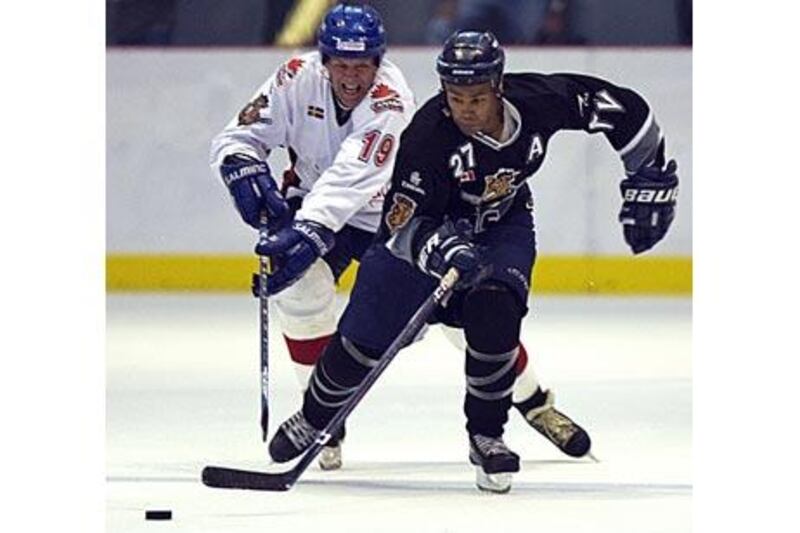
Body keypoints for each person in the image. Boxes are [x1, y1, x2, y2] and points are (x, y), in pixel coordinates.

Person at [264, 30, 679, 493]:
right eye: (456, 97)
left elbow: (618, 106)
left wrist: (650, 171)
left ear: (499, 86)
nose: (465, 108)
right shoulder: (427, 135)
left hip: (503, 225)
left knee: (496, 309)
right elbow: (403, 224)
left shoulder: (539, 100)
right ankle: (315, 416)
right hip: (416, 247)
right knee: (361, 344)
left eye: (477, 97)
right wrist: (438, 247)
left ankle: (487, 436)